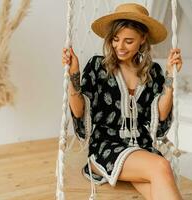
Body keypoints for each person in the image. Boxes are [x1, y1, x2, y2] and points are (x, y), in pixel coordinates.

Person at [62, 3, 183, 200]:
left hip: (142, 149)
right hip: (106, 148)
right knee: (161, 166)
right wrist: (73, 73)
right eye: (115, 39)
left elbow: (160, 115)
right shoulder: (98, 67)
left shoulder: (153, 72)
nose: (119, 46)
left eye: (128, 41)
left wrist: (170, 76)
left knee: (157, 188)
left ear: (143, 39)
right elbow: (78, 112)